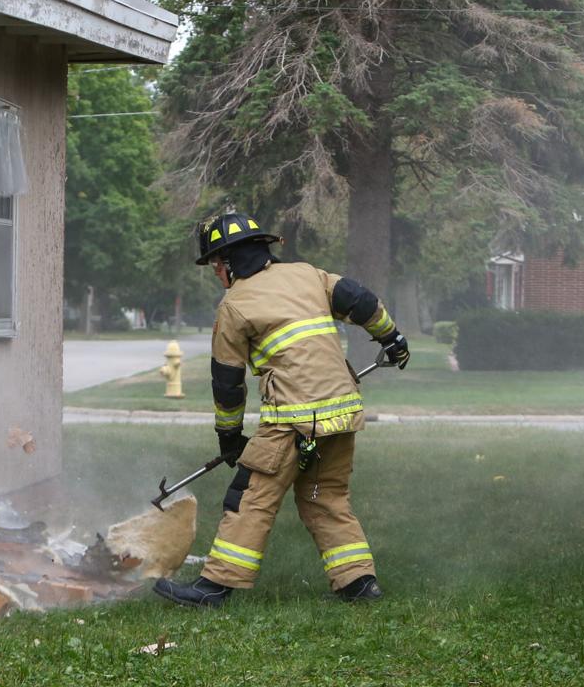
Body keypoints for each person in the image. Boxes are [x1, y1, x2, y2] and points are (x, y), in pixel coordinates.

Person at [153, 212, 409, 608]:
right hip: (342, 411)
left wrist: (229, 435)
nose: (216, 273)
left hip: (292, 417)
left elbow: (227, 382)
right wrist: (392, 337)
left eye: (216, 265)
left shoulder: (234, 305)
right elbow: (360, 300)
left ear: (229, 261)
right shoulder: (308, 274)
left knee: (251, 496)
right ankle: (359, 583)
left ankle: (214, 586)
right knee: (326, 497)